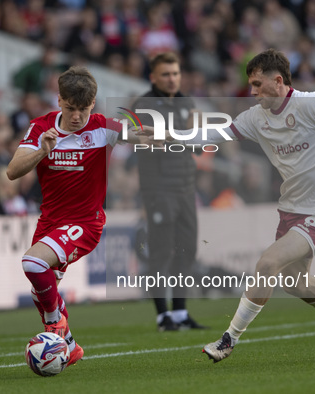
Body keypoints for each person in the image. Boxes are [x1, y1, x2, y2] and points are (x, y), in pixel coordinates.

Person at [144, 48, 315, 361]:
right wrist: (167, 136)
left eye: (257, 84)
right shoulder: (254, 118)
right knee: (293, 282)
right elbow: (213, 134)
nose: (252, 91)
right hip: (290, 211)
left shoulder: (313, 103)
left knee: (267, 265)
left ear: (278, 81)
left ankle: (228, 340)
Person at [6, 66, 139, 367]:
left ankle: (55, 327)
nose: (76, 116)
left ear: (93, 104)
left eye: (82, 109)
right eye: (69, 108)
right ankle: (70, 346)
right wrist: (42, 151)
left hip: (86, 223)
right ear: (59, 101)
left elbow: (147, 135)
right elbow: (12, 171)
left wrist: (184, 137)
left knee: (33, 262)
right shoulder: (41, 128)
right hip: (50, 222)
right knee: (41, 289)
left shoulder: (105, 127)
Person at [132, 52, 206, 332]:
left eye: (175, 73)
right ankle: (162, 315)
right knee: (161, 252)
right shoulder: (144, 105)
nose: (172, 79)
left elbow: (199, 146)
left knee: (187, 251)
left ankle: (180, 313)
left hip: (185, 188)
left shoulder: (187, 102)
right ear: (153, 77)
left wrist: (193, 133)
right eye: (165, 74)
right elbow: (150, 142)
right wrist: (186, 132)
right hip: (159, 188)